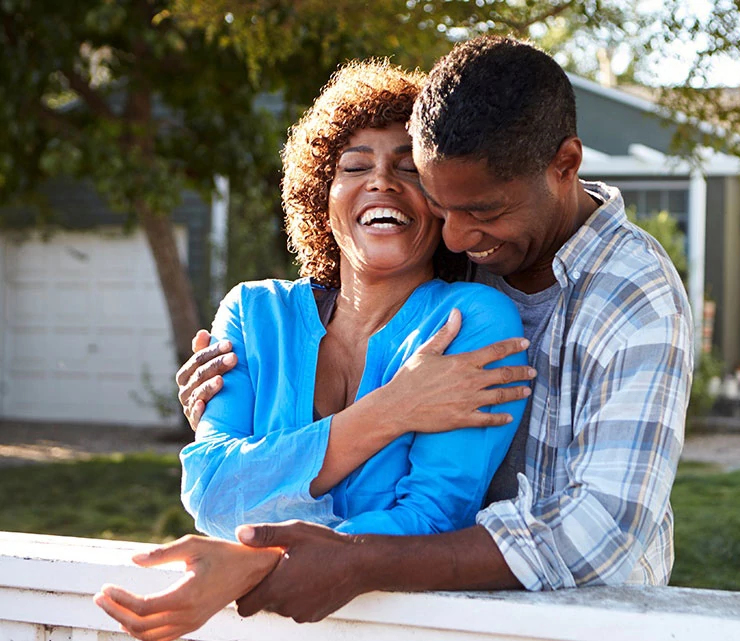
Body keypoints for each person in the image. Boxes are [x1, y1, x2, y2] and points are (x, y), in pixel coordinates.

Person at [101, 35, 693, 632]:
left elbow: (602, 530)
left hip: (578, 621)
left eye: (480, 211)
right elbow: (210, 486)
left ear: (565, 165)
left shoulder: (619, 296)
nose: (459, 238)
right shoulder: (266, 310)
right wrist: (394, 409)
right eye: (444, 205)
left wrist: (275, 560)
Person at [94, 58, 534, 641]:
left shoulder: (475, 322)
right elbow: (212, 491)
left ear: (441, 203)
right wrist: (394, 410)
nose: (381, 181)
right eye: (355, 166)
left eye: (410, 170)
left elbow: (432, 518)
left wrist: (260, 557)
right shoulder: (254, 313)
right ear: (320, 198)